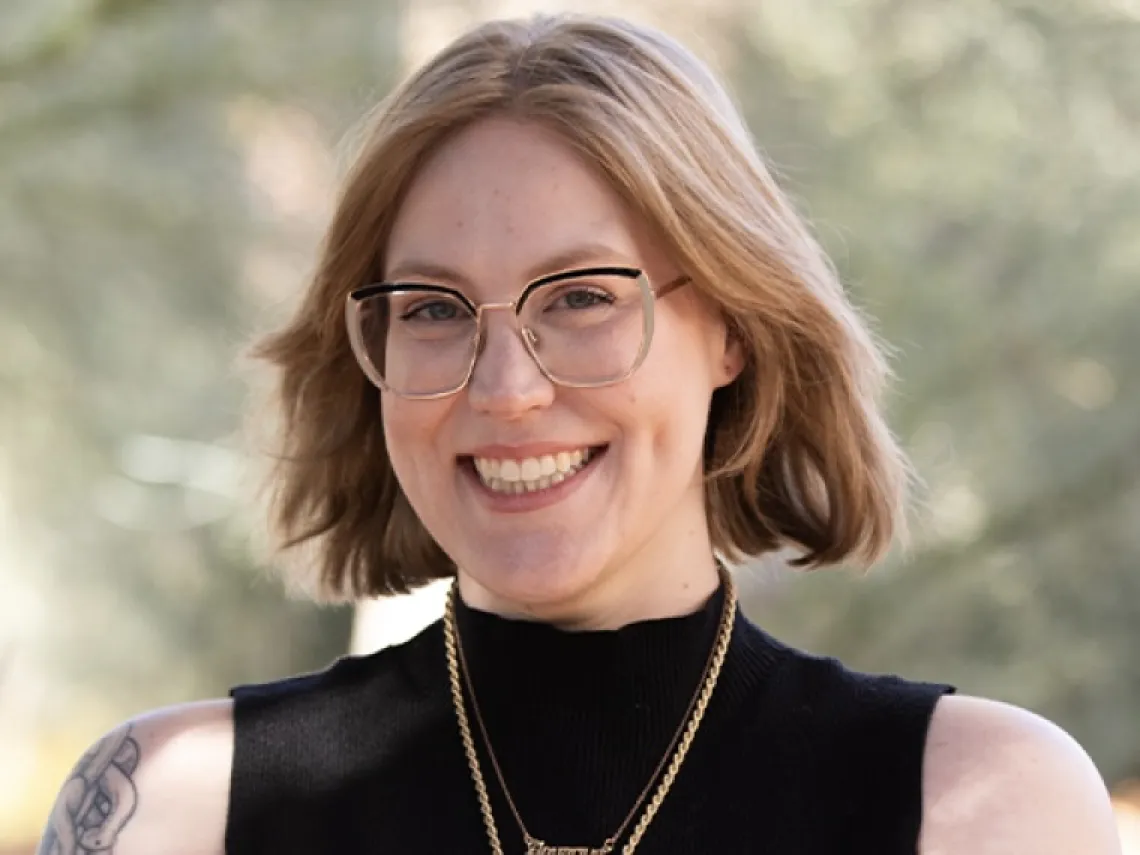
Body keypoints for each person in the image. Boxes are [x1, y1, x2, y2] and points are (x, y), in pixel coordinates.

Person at [36, 13, 1122, 855]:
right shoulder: (167, 808)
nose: (506, 388)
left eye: (582, 298)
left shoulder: (980, 806)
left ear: (734, 329)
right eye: (431, 309)